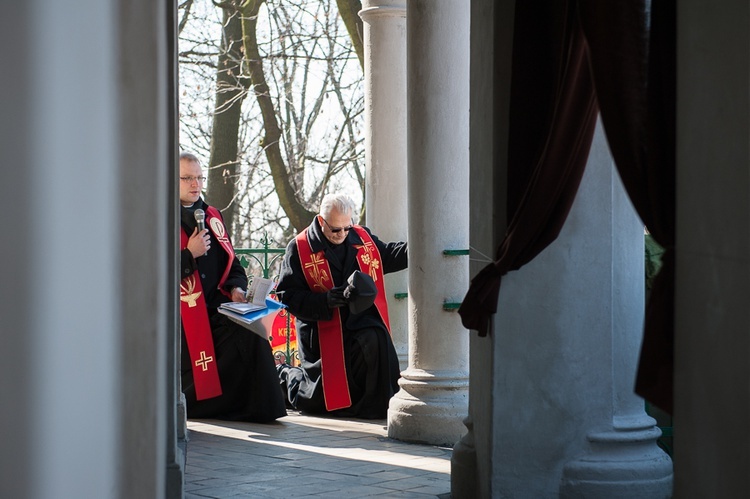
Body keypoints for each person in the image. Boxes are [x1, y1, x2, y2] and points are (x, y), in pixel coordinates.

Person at [276, 193, 408, 419]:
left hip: (358, 322)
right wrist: (325, 300)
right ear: (321, 221)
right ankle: (287, 374)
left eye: (348, 228)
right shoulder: (298, 247)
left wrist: (418, 246)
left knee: (375, 336)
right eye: (336, 230)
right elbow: (287, 295)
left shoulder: (361, 237)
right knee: (317, 402)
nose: (343, 235)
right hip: (321, 330)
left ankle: (374, 406)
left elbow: (385, 255)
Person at [178, 152, 286, 422]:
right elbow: (149, 273)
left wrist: (237, 288)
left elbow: (233, 265)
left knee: (253, 332)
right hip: (180, 319)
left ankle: (259, 409)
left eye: (199, 177)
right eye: (188, 178)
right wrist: (190, 255)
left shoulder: (212, 216)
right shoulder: (157, 218)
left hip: (217, 310)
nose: (196, 184)